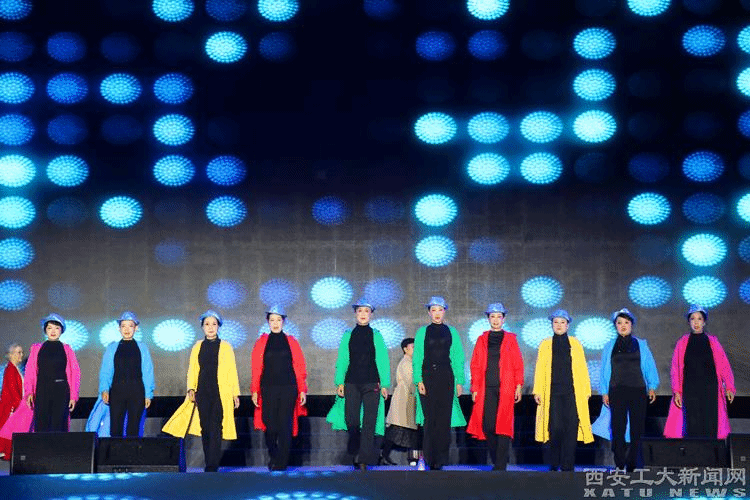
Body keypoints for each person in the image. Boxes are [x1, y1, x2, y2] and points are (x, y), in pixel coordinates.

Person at [163, 310, 240, 472]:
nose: (210, 327)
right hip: (203, 391)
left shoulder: (226, 347)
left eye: (214, 324)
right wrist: (191, 388)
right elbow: (193, 369)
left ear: (218, 326)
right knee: (205, 427)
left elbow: (232, 371)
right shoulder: (197, 346)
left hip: (221, 392)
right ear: (202, 327)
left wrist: (235, 393)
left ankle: (213, 464)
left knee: (216, 427)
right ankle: (209, 461)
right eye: (207, 324)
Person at [326, 299, 390, 470]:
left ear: (371, 314)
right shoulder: (348, 334)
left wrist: (384, 384)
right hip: (351, 382)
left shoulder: (376, 335)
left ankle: (363, 459)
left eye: (366, 311)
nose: (363, 314)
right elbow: (342, 359)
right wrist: (339, 382)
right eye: (360, 311)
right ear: (355, 313)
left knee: (369, 421)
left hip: (372, 382)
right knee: (352, 420)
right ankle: (355, 447)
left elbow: (382, 360)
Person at [592, 308, 658, 472]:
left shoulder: (641, 344)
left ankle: (632, 461)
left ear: (631, 325)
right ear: (615, 325)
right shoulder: (609, 346)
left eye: (626, 322)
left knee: (637, 427)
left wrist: (652, 386)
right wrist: (604, 391)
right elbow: (604, 370)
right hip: (617, 390)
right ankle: (619, 460)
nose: (623, 325)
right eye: (619, 323)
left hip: (638, 390)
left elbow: (649, 366)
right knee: (617, 427)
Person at [532, 309, 592, 471]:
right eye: (556, 322)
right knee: (555, 427)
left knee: (571, 427)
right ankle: (554, 462)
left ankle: (568, 465)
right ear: (552, 324)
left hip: (572, 392)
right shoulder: (545, 344)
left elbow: (583, 368)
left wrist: (586, 390)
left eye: (562, 322)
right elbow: (539, 368)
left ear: (568, 325)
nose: (559, 325)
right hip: (552, 393)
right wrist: (537, 390)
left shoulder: (575, 343)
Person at [466, 303, 524, 471]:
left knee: (504, 425)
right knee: (488, 426)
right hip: (486, 387)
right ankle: (497, 459)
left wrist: (518, 385)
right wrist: (474, 388)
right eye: (493, 316)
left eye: (499, 316)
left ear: (504, 319)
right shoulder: (482, 339)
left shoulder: (511, 339)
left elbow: (518, 364)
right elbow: (475, 365)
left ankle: (500, 464)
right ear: (488, 319)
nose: (496, 320)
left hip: (506, 387)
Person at [664, 305, 736, 439]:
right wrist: (677, 391)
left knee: (710, 423)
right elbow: (675, 369)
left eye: (699, 319)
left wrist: (729, 387)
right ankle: (694, 452)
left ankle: (710, 452)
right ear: (689, 322)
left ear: (704, 322)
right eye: (692, 319)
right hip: (690, 388)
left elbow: (724, 365)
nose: (696, 322)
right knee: (692, 424)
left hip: (710, 388)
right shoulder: (682, 343)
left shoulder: (713, 342)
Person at [251, 306, 308, 471]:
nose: (275, 323)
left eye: (278, 320)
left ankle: (281, 462)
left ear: (283, 322)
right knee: (270, 425)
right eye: (272, 320)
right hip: (268, 388)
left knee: (285, 425)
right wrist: (255, 390)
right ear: (268, 322)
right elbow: (256, 368)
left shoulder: (291, 341)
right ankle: (274, 455)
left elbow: (299, 367)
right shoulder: (261, 342)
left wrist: (302, 389)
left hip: (289, 388)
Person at [412, 296, 466, 470]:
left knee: (443, 420)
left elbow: (458, 357)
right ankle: (430, 458)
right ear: (429, 312)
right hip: (428, 377)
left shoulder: (452, 331)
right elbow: (417, 357)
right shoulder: (422, 332)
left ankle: (441, 458)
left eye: (440, 310)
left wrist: (459, 381)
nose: (437, 313)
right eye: (433, 310)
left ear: (444, 312)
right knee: (430, 420)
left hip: (446, 376)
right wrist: (418, 380)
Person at [87, 311, 155, 437]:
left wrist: (148, 394)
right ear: (119, 328)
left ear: (136, 328)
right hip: (117, 391)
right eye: (123, 326)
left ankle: (132, 450)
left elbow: (147, 372)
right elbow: (106, 371)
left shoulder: (142, 347)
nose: (127, 329)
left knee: (134, 428)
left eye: (130, 326)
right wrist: (104, 389)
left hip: (137, 391)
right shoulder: (112, 348)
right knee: (115, 428)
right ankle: (115, 450)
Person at [25, 313, 81, 432]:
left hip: (61, 390)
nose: (53, 331)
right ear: (45, 330)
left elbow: (75, 373)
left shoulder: (67, 349)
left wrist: (73, 396)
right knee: (41, 425)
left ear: (62, 330)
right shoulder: (36, 349)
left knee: (59, 425)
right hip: (42, 390)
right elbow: (30, 371)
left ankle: (59, 445)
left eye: (57, 328)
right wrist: (29, 391)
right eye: (49, 328)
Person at [380, 337, 420, 466]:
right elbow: (411, 382)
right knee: (396, 430)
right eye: (413, 347)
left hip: (408, 400)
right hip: (404, 401)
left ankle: (412, 459)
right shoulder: (406, 363)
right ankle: (384, 456)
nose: (415, 349)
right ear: (405, 349)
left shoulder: (411, 362)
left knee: (408, 431)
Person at [0, 343, 24, 459]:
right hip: (11, 407)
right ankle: (6, 452)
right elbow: (13, 390)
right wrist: (20, 406)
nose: (21, 355)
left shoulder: (14, 369)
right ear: (11, 355)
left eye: (22, 352)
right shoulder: (10, 370)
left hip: (14, 406)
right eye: (19, 352)